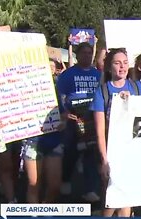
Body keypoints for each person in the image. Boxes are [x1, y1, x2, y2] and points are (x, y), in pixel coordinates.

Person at [90, 48, 141, 219]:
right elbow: (100, 130)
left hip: (133, 151)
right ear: (109, 66)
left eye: (124, 62)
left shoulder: (136, 88)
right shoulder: (102, 91)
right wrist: (104, 159)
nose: (121, 66)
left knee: (126, 194)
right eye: (117, 62)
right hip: (112, 151)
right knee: (111, 196)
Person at [57, 42, 101, 202]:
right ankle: (66, 180)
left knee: (91, 153)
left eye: (90, 53)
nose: (88, 55)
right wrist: (65, 112)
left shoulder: (98, 75)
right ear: (77, 55)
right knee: (71, 152)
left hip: (91, 119)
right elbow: (60, 95)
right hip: (73, 120)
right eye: (84, 53)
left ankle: (90, 189)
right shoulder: (68, 74)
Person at [22, 60, 66, 204]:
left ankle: (45, 212)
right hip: (33, 140)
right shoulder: (26, 88)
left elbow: (64, 113)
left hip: (53, 140)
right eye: (46, 67)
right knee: (34, 184)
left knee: (55, 186)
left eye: (52, 67)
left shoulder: (57, 89)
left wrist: (63, 122)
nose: (49, 69)